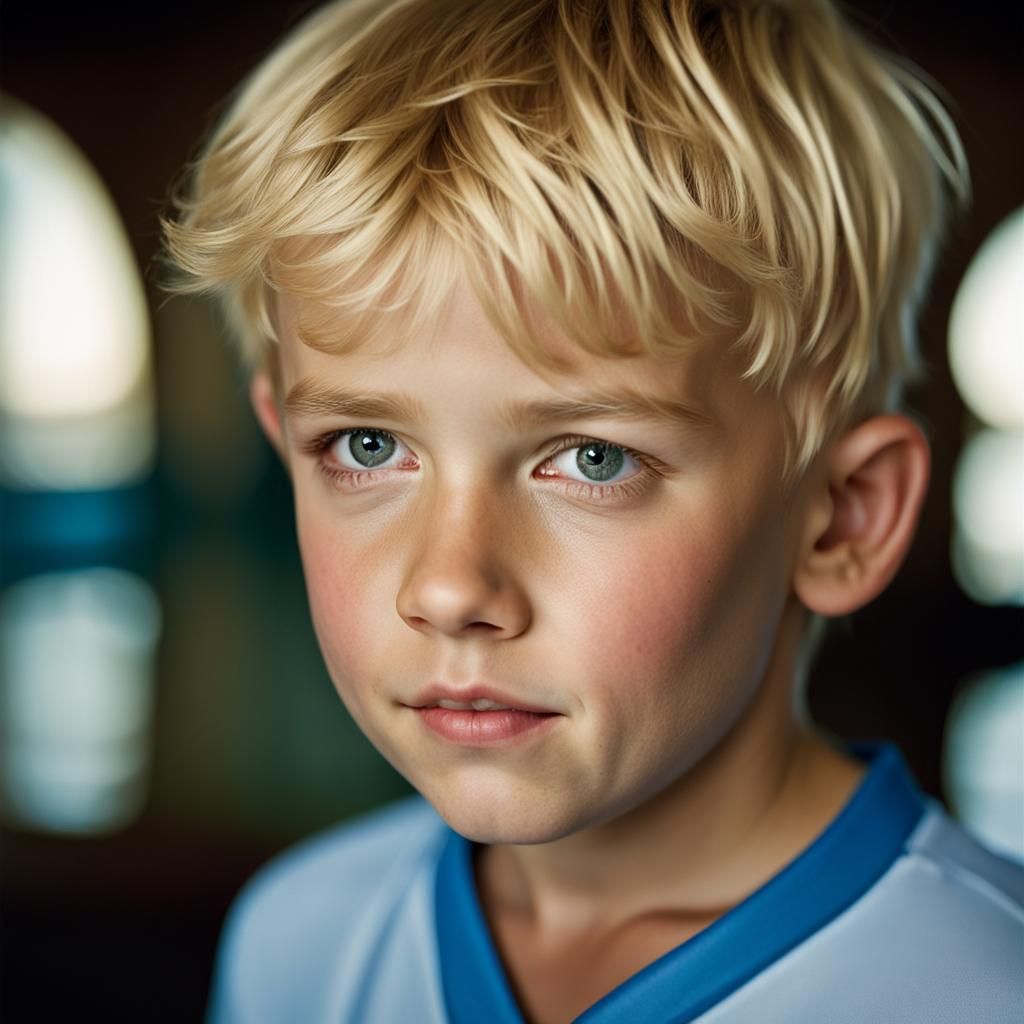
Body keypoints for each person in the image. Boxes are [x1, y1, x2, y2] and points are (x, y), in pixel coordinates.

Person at [161, 1, 1023, 1020]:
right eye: (368, 446)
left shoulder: (978, 986)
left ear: (843, 517)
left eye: (591, 456)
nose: (447, 586)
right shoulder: (300, 941)